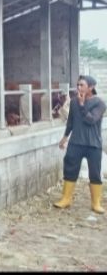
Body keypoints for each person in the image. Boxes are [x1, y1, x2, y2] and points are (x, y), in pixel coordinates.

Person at [53, 75, 107, 213]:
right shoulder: (73, 102)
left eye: (82, 85)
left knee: (95, 173)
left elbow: (91, 120)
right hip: (76, 143)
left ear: (91, 87)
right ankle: (66, 199)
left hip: (93, 144)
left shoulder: (100, 103)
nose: (78, 87)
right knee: (70, 169)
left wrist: (82, 105)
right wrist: (65, 137)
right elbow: (71, 121)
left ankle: (96, 203)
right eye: (78, 85)